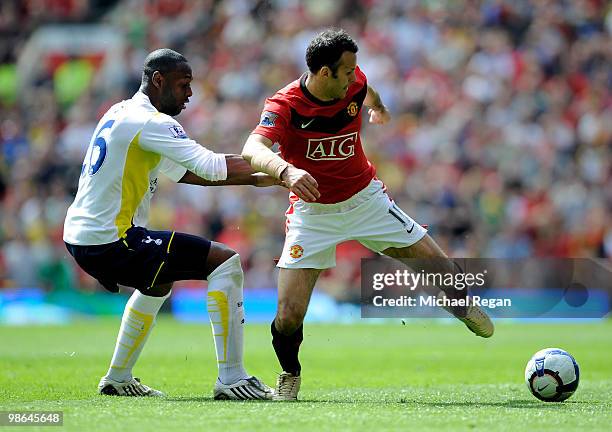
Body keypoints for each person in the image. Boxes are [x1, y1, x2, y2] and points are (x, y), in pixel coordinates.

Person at [241, 29, 494, 401]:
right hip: (313, 213)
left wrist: (379, 108)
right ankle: (290, 373)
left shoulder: (354, 83)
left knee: (441, 268)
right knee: (289, 313)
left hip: (366, 200)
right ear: (324, 73)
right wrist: (286, 171)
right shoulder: (286, 104)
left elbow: (367, 90)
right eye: (345, 71)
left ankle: (459, 304)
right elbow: (252, 146)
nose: (354, 76)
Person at [63, 48, 277, 400]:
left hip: (82, 235)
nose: (190, 93)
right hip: (110, 240)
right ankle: (232, 378)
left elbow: (184, 172)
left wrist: (256, 178)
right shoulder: (152, 121)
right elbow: (208, 165)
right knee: (225, 262)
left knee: (158, 282)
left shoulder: (120, 112)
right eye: (183, 84)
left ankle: (118, 378)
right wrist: (277, 167)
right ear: (158, 80)